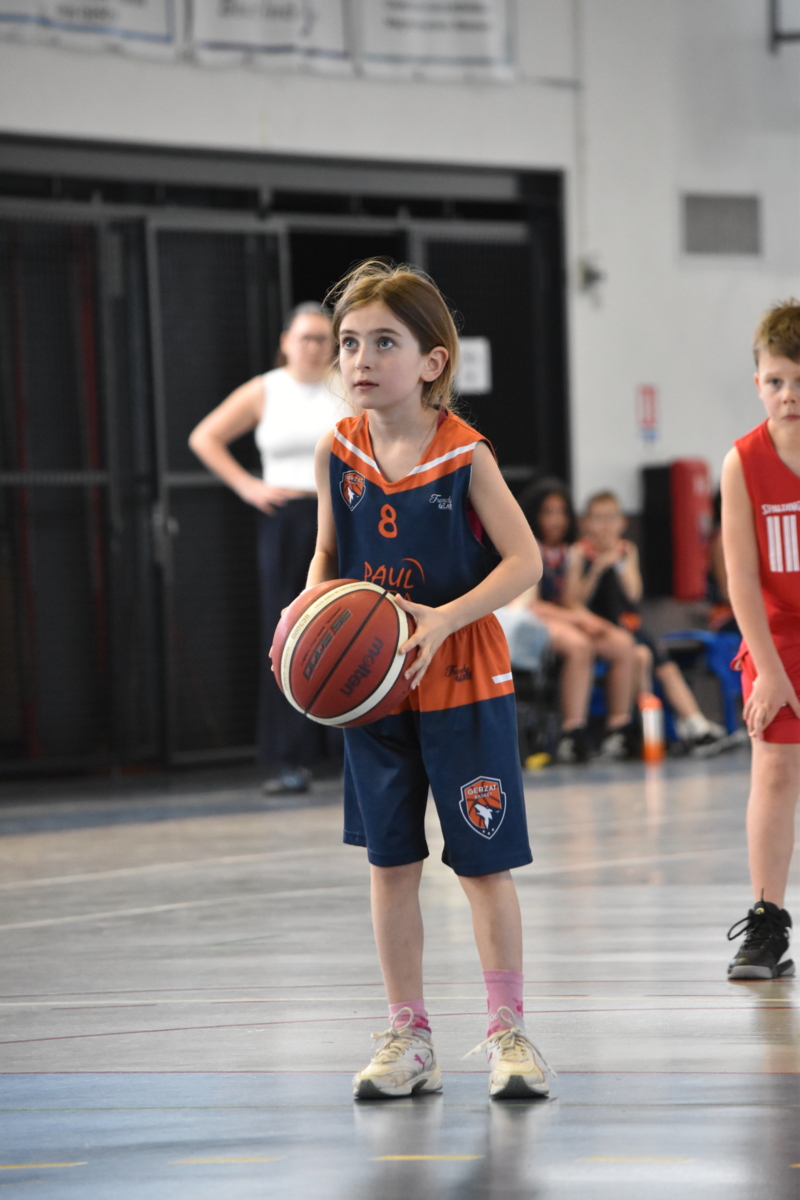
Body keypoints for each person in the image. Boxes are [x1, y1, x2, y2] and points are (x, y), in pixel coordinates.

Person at [303, 259, 553, 1100]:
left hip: (464, 684)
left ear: (432, 361)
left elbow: (526, 561)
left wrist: (445, 618)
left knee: (482, 867)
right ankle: (409, 1036)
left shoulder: (464, 456)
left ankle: (510, 1035)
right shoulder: (337, 450)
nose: (361, 359)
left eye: (384, 342)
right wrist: (306, 620)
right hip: (374, 693)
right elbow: (328, 554)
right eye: (349, 343)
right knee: (390, 865)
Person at [189, 302, 345, 794]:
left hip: (340, 516)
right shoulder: (266, 389)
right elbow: (204, 437)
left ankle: (351, 754)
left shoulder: (347, 387)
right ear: (286, 342)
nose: (314, 347)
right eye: (305, 338)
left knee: (347, 627)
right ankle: (290, 759)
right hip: (285, 521)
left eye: (322, 338)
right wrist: (248, 486)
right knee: (288, 634)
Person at [722, 299, 800, 981]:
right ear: (758, 384)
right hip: (776, 631)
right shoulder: (742, 462)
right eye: (776, 381)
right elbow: (741, 578)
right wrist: (769, 671)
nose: (789, 395)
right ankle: (767, 922)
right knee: (773, 766)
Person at [565, 491, 728, 753]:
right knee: (642, 657)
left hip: (627, 624)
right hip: (598, 628)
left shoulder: (627, 550)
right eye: (598, 518)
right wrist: (597, 568)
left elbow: (634, 594)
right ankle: (642, 731)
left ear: (622, 522)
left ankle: (693, 725)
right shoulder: (579, 552)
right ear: (585, 523)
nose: (605, 526)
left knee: (660, 662)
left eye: (611, 518)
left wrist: (618, 564)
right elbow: (572, 600)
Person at [513, 478, 637, 763]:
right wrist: (579, 619)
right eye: (548, 512)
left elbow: (571, 599)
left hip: (563, 616)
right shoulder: (527, 547)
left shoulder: (572, 551)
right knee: (579, 645)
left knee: (622, 643)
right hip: (527, 619)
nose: (556, 520)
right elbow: (530, 604)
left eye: (561, 512)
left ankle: (617, 729)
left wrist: (587, 618)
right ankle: (572, 731)